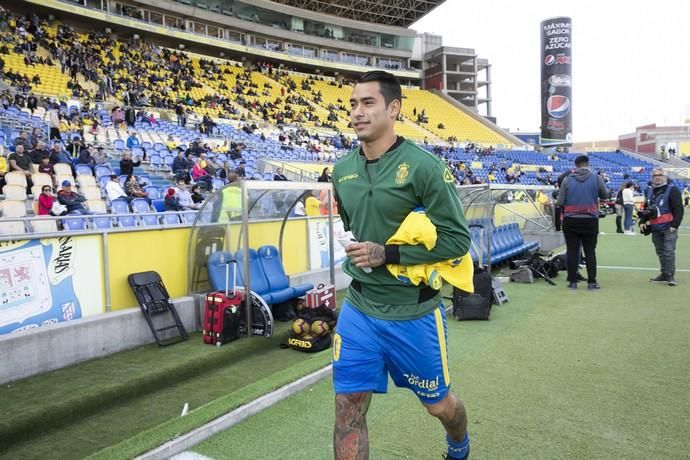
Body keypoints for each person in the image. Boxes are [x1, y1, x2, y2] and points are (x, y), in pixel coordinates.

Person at [331, 71, 472, 460]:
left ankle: (459, 444)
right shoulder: (341, 171)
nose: (357, 112)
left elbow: (458, 240)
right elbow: (352, 225)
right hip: (359, 309)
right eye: (353, 104)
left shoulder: (425, 167)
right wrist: (358, 247)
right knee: (348, 410)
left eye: (368, 103)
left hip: (415, 312)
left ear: (393, 109)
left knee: (440, 408)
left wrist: (388, 254)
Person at [555, 155, 609, 290]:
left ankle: (572, 282)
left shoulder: (567, 180)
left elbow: (560, 202)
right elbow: (605, 195)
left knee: (572, 251)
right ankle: (592, 282)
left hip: (571, 220)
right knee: (590, 252)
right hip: (590, 220)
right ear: (587, 164)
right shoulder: (597, 178)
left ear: (576, 165)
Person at [640, 168, 684, 286]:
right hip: (655, 227)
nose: (657, 177)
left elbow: (679, 209)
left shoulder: (673, 190)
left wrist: (675, 225)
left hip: (669, 227)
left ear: (665, 176)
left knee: (668, 251)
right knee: (660, 251)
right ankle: (664, 273)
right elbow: (646, 208)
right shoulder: (649, 191)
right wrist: (642, 221)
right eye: (654, 176)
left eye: (660, 175)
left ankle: (670, 275)